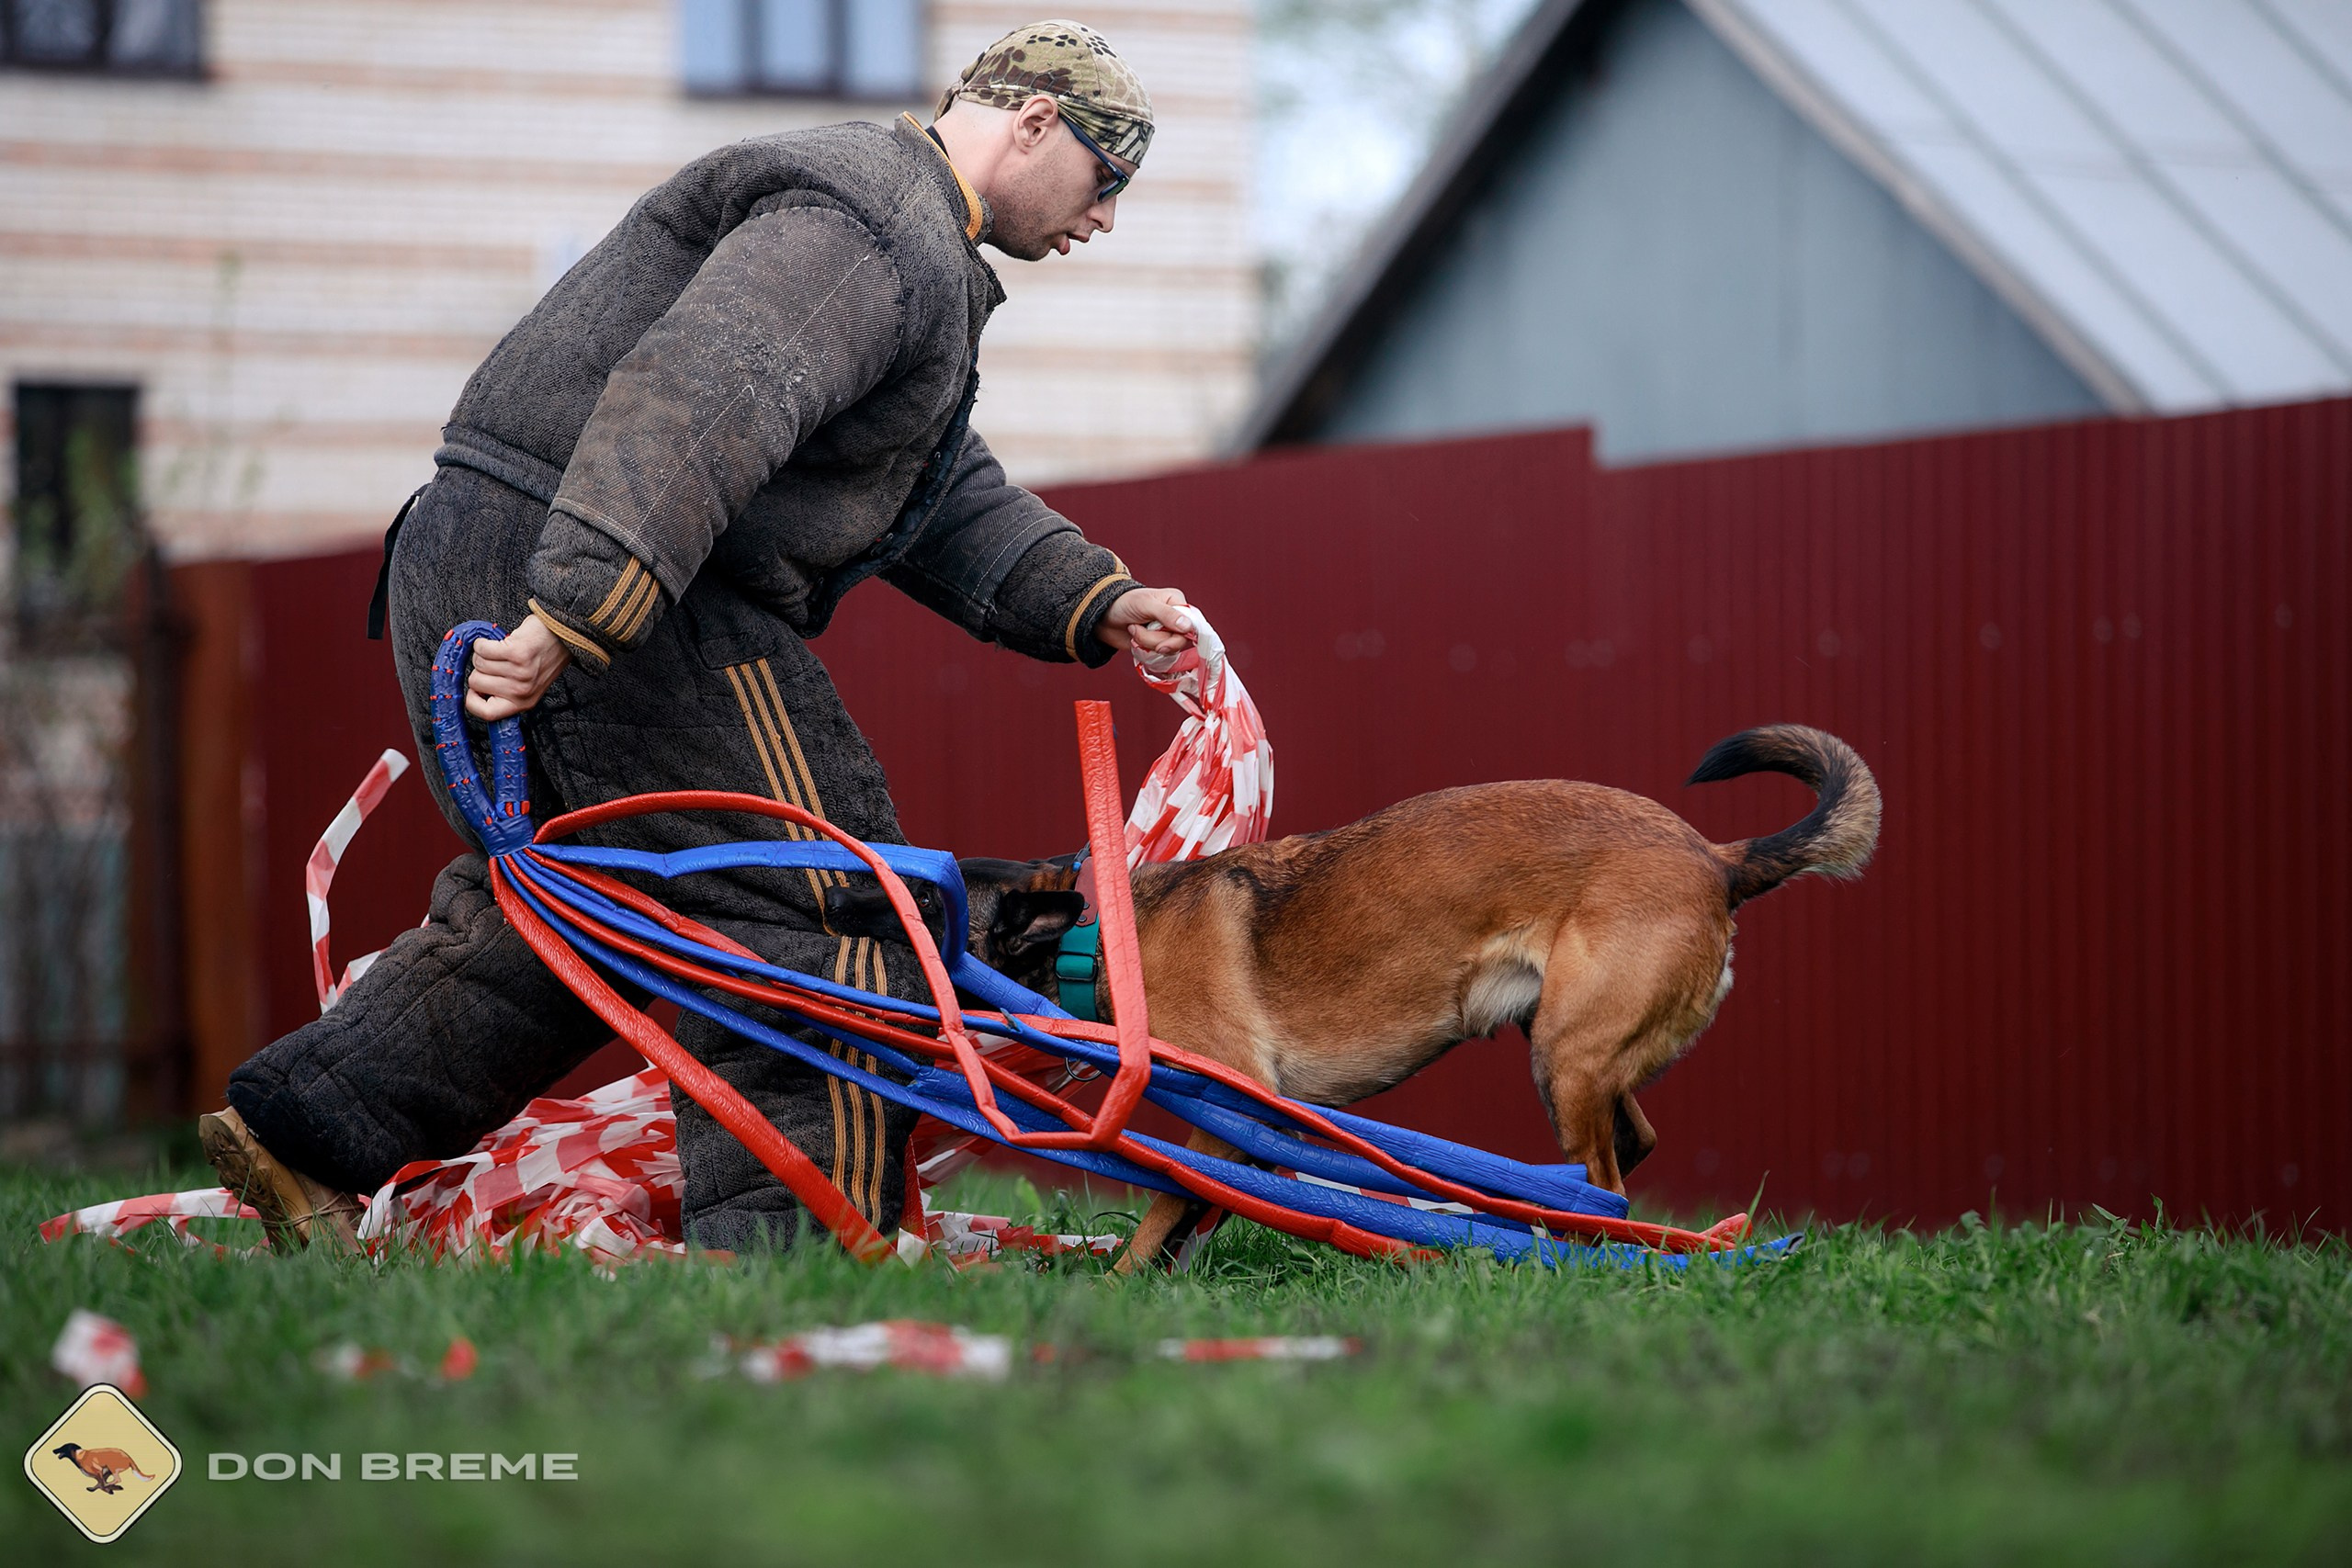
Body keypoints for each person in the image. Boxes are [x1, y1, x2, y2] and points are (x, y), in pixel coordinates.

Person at [198, 20, 1200, 1254]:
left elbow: (929, 492)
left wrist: (1092, 598)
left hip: (498, 548)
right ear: (1037, 122)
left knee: (604, 899)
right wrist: (580, 608)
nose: (1104, 222)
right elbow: (698, 395)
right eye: (1108, 183)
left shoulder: (893, 232)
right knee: (822, 891)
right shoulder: (878, 222)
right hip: (609, 581)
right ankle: (805, 1245)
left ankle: (308, 1131)